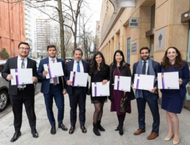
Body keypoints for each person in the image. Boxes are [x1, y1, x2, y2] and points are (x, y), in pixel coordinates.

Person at [2, 42, 38, 142]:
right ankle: (17, 131)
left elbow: (35, 75)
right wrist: (7, 76)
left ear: (29, 51)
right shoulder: (10, 61)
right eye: (22, 48)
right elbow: (4, 72)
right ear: (18, 49)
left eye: (26, 48)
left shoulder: (32, 62)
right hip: (14, 93)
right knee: (17, 113)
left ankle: (33, 129)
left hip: (28, 92)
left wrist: (35, 78)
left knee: (31, 112)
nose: (24, 50)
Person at [160, 47, 189, 145]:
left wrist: (182, 82)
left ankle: (176, 134)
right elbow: (161, 76)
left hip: (177, 93)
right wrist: (158, 80)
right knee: (168, 112)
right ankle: (170, 132)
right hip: (166, 92)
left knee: (172, 113)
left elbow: (187, 78)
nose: (171, 54)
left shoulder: (183, 64)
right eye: (169, 52)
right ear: (166, 55)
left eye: (173, 52)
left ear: (177, 54)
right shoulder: (163, 65)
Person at [37, 45, 67, 135]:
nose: (52, 52)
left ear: (56, 51)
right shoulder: (43, 62)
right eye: (50, 50)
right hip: (47, 88)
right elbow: (38, 73)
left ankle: (60, 123)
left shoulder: (61, 62)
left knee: (61, 107)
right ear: (47, 52)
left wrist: (65, 87)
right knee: (49, 108)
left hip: (58, 87)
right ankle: (53, 125)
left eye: (53, 50)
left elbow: (64, 76)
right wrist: (42, 74)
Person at [132, 47, 160, 140]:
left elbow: (160, 79)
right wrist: (133, 84)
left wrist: (156, 87)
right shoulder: (136, 65)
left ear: (149, 53)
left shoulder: (156, 64)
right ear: (140, 54)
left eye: (146, 52)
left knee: (155, 113)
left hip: (151, 92)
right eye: (143, 53)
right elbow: (134, 76)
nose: (144, 54)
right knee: (141, 112)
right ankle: (141, 127)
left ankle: (155, 131)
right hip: (140, 92)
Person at [109, 50, 135, 136]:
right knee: (117, 107)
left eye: (120, 55)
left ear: (122, 56)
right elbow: (109, 78)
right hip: (115, 90)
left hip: (123, 90)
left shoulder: (126, 67)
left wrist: (128, 86)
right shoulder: (111, 66)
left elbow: (129, 78)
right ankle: (120, 124)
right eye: (117, 55)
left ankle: (120, 125)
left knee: (123, 107)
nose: (119, 57)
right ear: (115, 57)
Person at [64, 48, 89, 134]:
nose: (78, 56)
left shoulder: (86, 64)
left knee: (82, 109)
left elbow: (91, 73)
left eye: (79, 54)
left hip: (82, 90)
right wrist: (66, 81)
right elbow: (64, 75)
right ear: (74, 55)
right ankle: (72, 125)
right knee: (73, 109)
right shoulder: (68, 64)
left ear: (81, 55)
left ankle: (82, 125)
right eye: (76, 54)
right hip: (72, 90)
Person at [89, 51, 109, 136]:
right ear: (94, 59)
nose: (98, 59)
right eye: (96, 57)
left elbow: (109, 76)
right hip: (95, 90)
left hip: (103, 90)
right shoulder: (91, 67)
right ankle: (95, 127)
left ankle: (99, 124)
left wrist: (107, 79)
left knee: (101, 108)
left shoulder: (106, 67)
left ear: (102, 58)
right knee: (98, 109)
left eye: (100, 57)